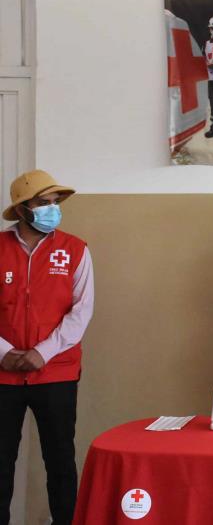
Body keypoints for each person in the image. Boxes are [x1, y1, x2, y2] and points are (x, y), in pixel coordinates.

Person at [0, 170, 94, 525]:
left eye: (55, 203)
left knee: (60, 463)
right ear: (22, 210)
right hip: (3, 377)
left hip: (56, 372)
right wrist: (4, 352)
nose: (52, 210)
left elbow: (81, 312)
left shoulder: (75, 250)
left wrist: (42, 352)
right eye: (43, 203)